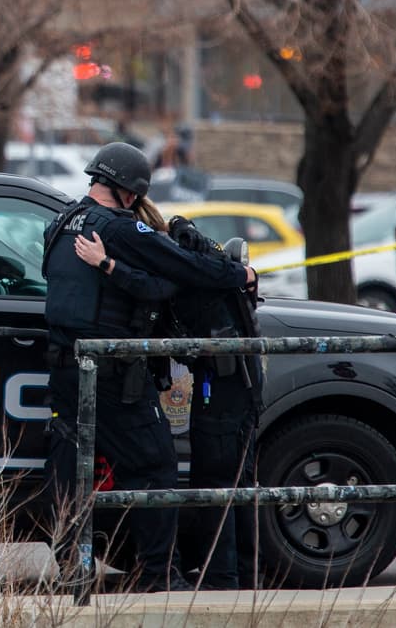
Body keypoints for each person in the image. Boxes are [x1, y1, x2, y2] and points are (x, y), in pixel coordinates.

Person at [42, 141, 254, 593]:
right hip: (111, 373)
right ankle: (158, 577)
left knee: (70, 472)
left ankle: (72, 572)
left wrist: (115, 269)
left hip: (64, 369)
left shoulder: (61, 223)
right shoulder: (118, 229)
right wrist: (241, 276)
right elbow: (187, 269)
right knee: (156, 467)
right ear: (129, 191)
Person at [87, 198, 264, 590]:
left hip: (224, 380)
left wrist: (108, 264)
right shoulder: (190, 249)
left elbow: (158, 287)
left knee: (217, 478)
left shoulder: (177, 258)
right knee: (235, 478)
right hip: (230, 378)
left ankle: (223, 579)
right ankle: (242, 575)